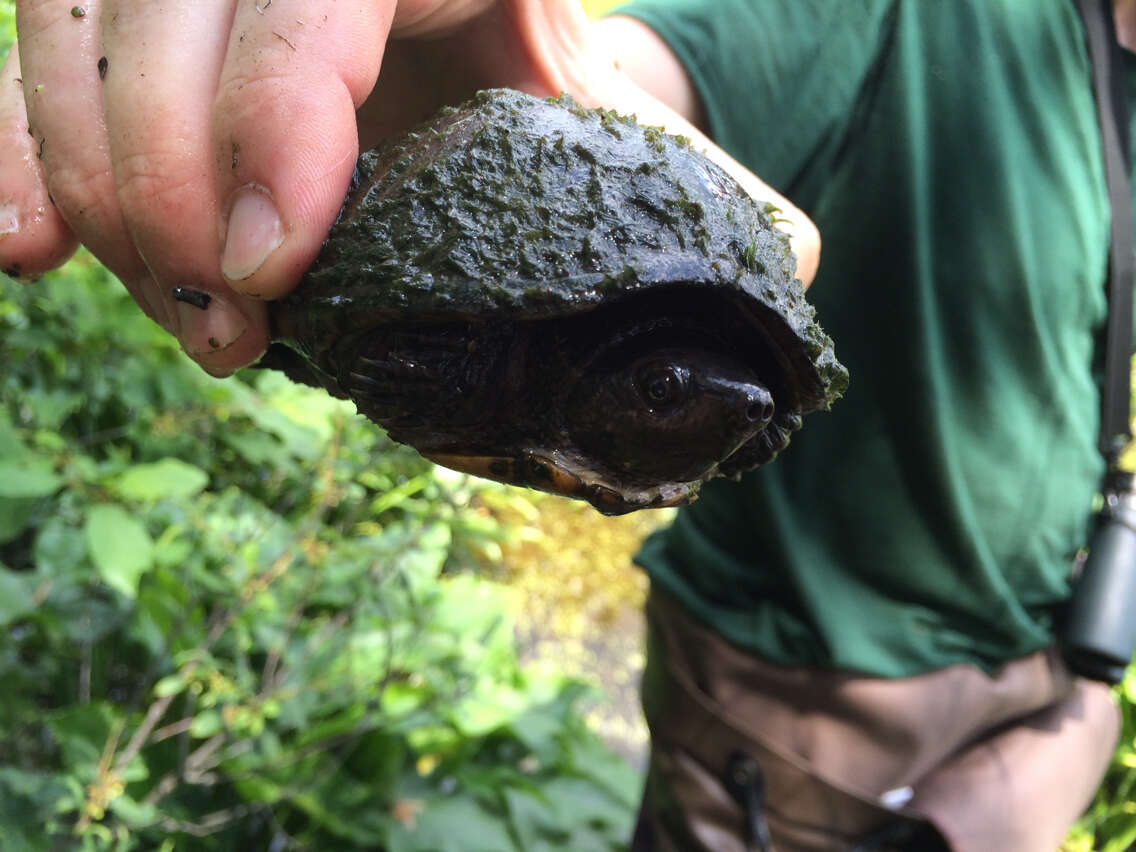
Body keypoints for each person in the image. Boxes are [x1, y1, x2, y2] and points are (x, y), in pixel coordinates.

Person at [0, 1, 1127, 849]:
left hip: (1029, 708)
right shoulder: (915, 20)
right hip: (785, 724)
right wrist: (442, 76)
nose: (737, 407)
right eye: (661, 390)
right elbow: (629, 77)